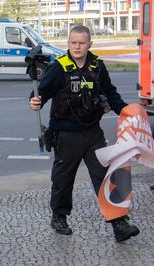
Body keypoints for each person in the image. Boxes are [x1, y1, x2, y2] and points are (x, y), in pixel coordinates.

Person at [29, 25, 140, 242]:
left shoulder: (97, 66)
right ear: (68, 43)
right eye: (73, 42)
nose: (77, 47)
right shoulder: (58, 68)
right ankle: (59, 216)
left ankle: (119, 223)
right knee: (63, 179)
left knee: (107, 177)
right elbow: (40, 94)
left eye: (81, 43)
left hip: (92, 133)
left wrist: (126, 111)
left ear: (90, 44)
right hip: (65, 133)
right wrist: (34, 101)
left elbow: (110, 93)